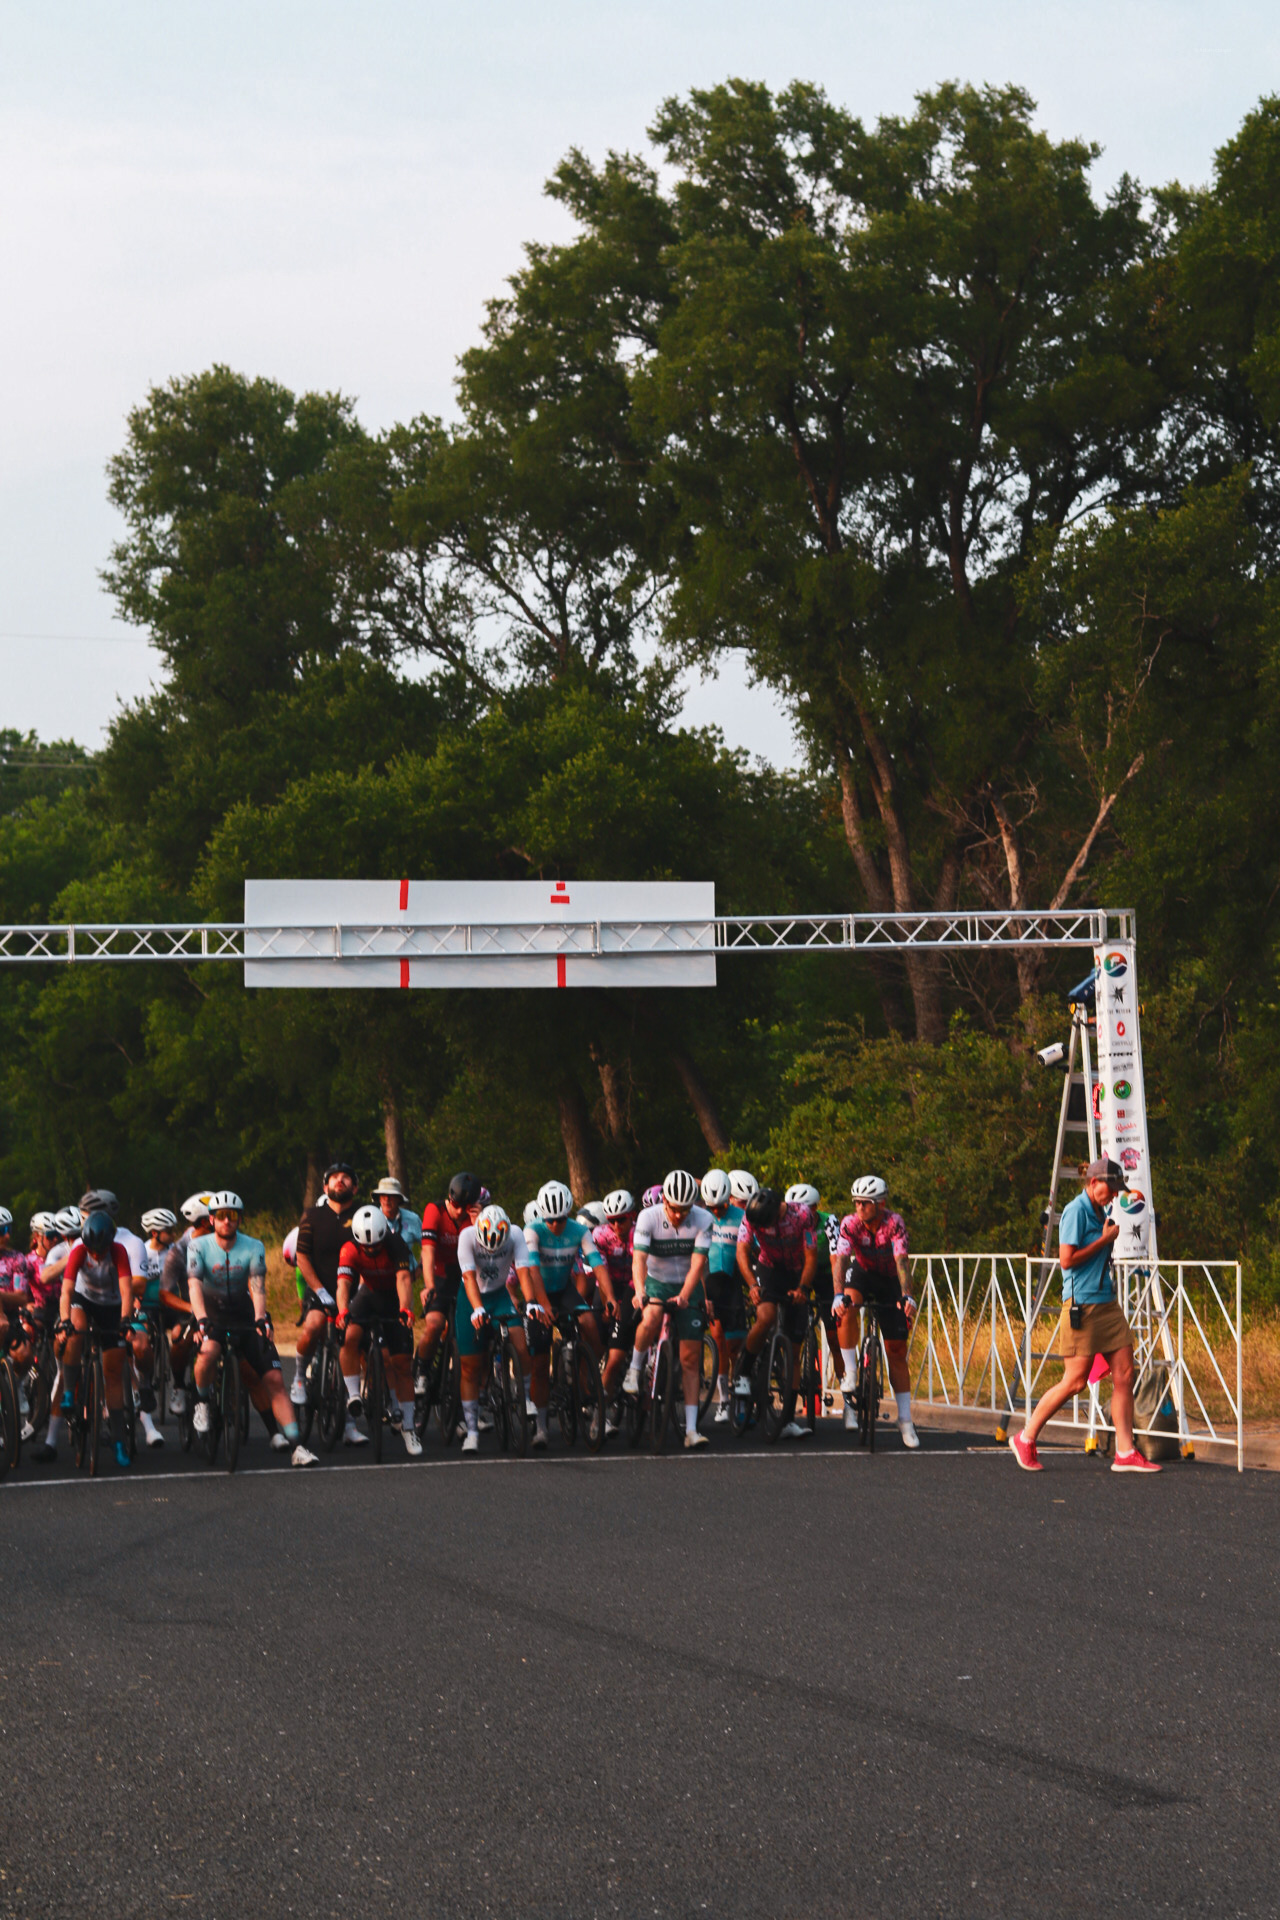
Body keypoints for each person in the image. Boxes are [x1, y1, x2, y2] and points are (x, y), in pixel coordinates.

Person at [1010, 1157, 1162, 1474]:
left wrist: (1108, 1240)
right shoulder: (1075, 1211)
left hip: (1107, 1302)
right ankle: (1026, 1437)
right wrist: (1104, 1241)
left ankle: (1125, 1451)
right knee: (1075, 1381)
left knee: (1124, 1373)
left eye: (1117, 1189)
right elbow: (1067, 1260)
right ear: (1093, 1183)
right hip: (1083, 1305)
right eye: (1110, 1188)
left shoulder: (1100, 1211)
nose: (1113, 1195)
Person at [187, 1190, 317, 1467]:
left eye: (232, 1216)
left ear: (239, 1219)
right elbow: (194, 1286)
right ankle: (201, 1402)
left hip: (245, 1316)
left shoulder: (254, 1246)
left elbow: (257, 1286)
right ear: (211, 1220)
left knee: (274, 1380)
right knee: (208, 1351)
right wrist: (200, 1319)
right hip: (211, 1315)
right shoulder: (197, 1247)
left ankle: (297, 1446)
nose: (226, 1221)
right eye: (221, 1216)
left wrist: (260, 1318)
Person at [625, 1170, 712, 1451]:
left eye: (685, 1210)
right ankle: (635, 1370)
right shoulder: (648, 1217)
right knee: (650, 1317)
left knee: (690, 1360)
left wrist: (686, 1296)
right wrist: (640, 1292)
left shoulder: (704, 1219)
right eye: (674, 1209)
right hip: (657, 1281)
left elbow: (698, 1264)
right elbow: (638, 1259)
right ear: (664, 1202)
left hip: (687, 1283)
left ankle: (691, 1430)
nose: (679, 1216)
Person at [832, 1175, 919, 1448]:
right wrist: (837, 1295)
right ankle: (851, 1374)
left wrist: (907, 1295)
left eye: (865, 1203)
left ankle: (904, 1419)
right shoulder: (849, 1224)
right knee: (846, 1307)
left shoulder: (894, 1223)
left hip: (890, 1279)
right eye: (856, 1202)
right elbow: (842, 1259)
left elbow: (902, 1261)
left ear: (880, 1204)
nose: (859, 1207)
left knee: (896, 1350)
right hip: (863, 1273)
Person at [523, 1180, 606, 1450]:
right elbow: (533, 1270)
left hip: (564, 1290)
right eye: (551, 1221)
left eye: (560, 1220)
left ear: (567, 1214)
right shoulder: (532, 1230)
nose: (556, 1225)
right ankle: (541, 1427)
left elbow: (597, 1265)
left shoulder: (580, 1230)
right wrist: (544, 1305)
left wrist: (612, 1297)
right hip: (539, 1294)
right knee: (539, 1362)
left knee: (589, 1321)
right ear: (543, 1216)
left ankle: (588, 1366)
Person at [336, 1205, 421, 1457]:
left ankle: (408, 1427)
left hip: (394, 1298)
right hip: (368, 1296)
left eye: (376, 1246)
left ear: (384, 1235)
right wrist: (342, 1311)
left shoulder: (396, 1244)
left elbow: (404, 1280)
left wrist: (405, 1308)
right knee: (350, 1335)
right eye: (367, 1247)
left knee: (402, 1364)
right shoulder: (350, 1248)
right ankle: (353, 1395)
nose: (371, 1250)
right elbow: (343, 1283)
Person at [733, 1187, 817, 1440]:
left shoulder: (802, 1216)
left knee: (793, 1349)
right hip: (769, 1269)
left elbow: (812, 1255)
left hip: (796, 1270)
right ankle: (744, 1370)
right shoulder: (752, 1216)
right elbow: (742, 1251)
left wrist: (803, 1288)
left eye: (766, 1224)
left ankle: (788, 1419)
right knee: (766, 1317)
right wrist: (752, 1285)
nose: (763, 1229)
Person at [57, 1210, 137, 1469]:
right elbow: (66, 1290)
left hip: (112, 1306)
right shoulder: (80, 1250)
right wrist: (64, 1320)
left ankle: (118, 1441)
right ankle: (69, 1391)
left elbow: (127, 1291)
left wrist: (125, 1320)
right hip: (85, 1299)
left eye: (100, 1251)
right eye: (91, 1250)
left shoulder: (119, 1252)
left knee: (113, 1375)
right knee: (75, 1329)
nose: (95, 1255)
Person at [455, 1204, 537, 1454]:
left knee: (520, 1343)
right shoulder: (467, 1236)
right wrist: (478, 1308)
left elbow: (523, 1272)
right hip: (472, 1297)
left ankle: (524, 1397)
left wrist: (532, 1302)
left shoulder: (515, 1234)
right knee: (470, 1366)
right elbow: (469, 1277)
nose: (491, 1252)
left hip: (499, 1295)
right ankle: (471, 1430)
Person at [291, 1163, 359, 1416]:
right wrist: (319, 1290)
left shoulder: (365, 1213)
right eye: (333, 1178)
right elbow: (302, 1257)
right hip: (320, 1288)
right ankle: (298, 1376)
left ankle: (351, 1420)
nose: (339, 1181)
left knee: (355, 1341)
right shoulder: (312, 1215)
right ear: (325, 1187)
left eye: (346, 1177)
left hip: (354, 1290)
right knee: (313, 1326)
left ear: (355, 1186)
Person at [413, 1171, 482, 1390]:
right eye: (457, 1205)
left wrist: (478, 1222)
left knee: (467, 1334)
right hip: (439, 1276)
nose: (461, 1211)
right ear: (449, 1198)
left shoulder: (474, 1218)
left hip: (464, 1277)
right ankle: (422, 1369)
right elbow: (427, 1251)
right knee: (434, 1324)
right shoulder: (435, 1211)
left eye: (467, 1206)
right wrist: (429, 1286)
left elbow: (483, 1253)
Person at [785, 1180, 843, 1423]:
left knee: (833, 1335)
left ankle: (847, 1390)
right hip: (799, 1272)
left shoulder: (828, 1221)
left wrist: (838, 1293)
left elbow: (836, 1256)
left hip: (825, 1274)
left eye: (805, 1211)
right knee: (790, 1331)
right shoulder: (787, 1222)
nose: (799, 1216)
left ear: (815, 1208)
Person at [700, 1170, 746, 1423]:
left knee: (735, 1347)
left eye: (719, 1207)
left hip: (734, 1285)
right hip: (710, 1286)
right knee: (718, 1342)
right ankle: (724, 1401)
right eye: (710, 1207)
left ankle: (740, 1396)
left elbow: (755, 1250)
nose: (715, 1211)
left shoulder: (742, 1218)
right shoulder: (700, 1218)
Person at [592, 1188, 637, 1428]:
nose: (617, 1225)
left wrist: (622, 1303)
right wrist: (609, 1300)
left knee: (617, 1356)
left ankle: (601, 1414)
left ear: (633, 1215)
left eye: (622, 1219)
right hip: (607, 1285)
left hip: (633, 1286)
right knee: (599, 1341)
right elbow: (601, 1272)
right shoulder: (600, 1235)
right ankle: (594, 1392)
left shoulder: (640, 1232)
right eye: (612, 1221)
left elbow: (641, 1270)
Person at [372, 1177, 422, 1274]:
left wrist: (420, 1268)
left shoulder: (413, 1219)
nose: (387, 1199)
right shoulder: (372, 1219)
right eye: (383, 1195)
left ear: (399, 1199)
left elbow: (427, 1246)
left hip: (408, 1276)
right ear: (379, 1198)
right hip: (380, 1277)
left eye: (391, 1195)